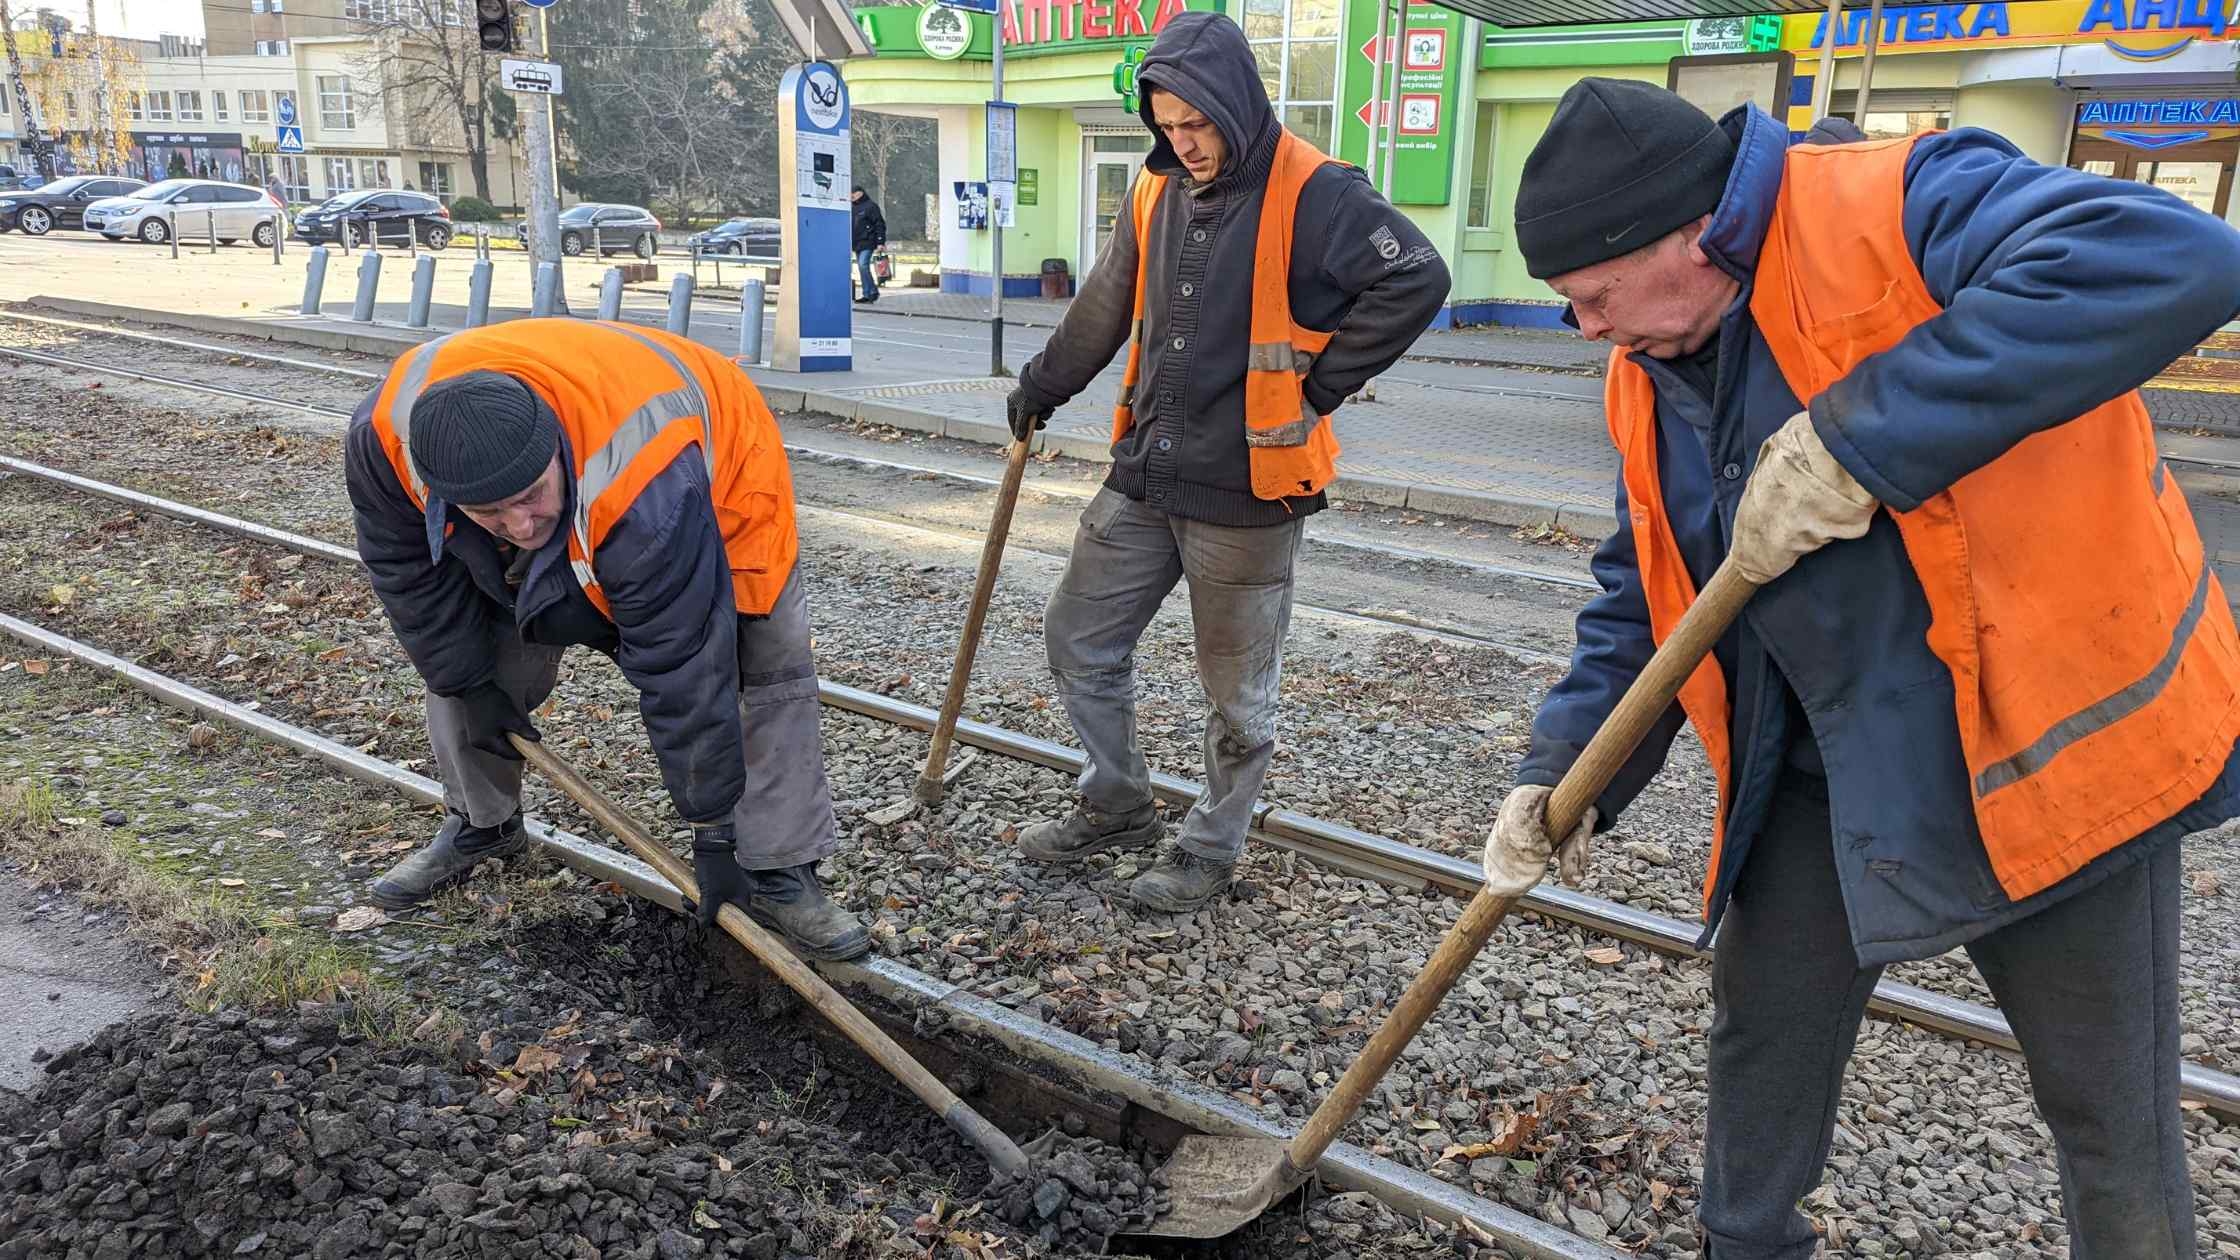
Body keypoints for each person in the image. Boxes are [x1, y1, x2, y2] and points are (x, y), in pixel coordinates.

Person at [1481, 78, 2240, 1257]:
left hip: (2040, 749)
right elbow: (1646, 592)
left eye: (1589, 297)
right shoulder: (1647, 369)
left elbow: (2175, 258)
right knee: (1760, 1044)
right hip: (1823, 760)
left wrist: (1857, 438)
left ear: (1684, 237)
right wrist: (1560, 775)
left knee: (2105, 1113)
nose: (1583, 329)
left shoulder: (1904, 201)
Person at [1004, 12, 1449, 912]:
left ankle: (1210, 847)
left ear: (1237, 105)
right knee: (1077, 636)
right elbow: (1104, 301)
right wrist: (1044, 382)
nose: (1185, 145)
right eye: (1168, 128)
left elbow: (1418, 275)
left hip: (1249, 492)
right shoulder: (1153, 189)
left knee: (1238, 696)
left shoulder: (1320, 190)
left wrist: (1318, 389)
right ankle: (1118, 799)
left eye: (1197, 126)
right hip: (1146, 471)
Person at [342, 319, 871, 961]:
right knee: (468, 643)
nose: (519, 523)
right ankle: (482, 824)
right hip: (578, 459)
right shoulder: (386, 441)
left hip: (716, 455)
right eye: (491, 514)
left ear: (554, 450)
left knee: (760, 660)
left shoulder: (647, 484)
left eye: (530, 497)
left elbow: (681, 660)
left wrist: (711, 834)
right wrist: (468, 684)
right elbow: (409, 575)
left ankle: (780, 869)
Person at [850, 185, 885, 304]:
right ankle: (868, 293)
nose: (851, 196)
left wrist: (880, 242)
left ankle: (872, 291)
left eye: (853, 194)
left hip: (868, 241)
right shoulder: (852, 208)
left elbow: (879, 224)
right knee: (861, 268)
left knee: (863, 265)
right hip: (857, 243)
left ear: (860, 193)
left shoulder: (871, 206)